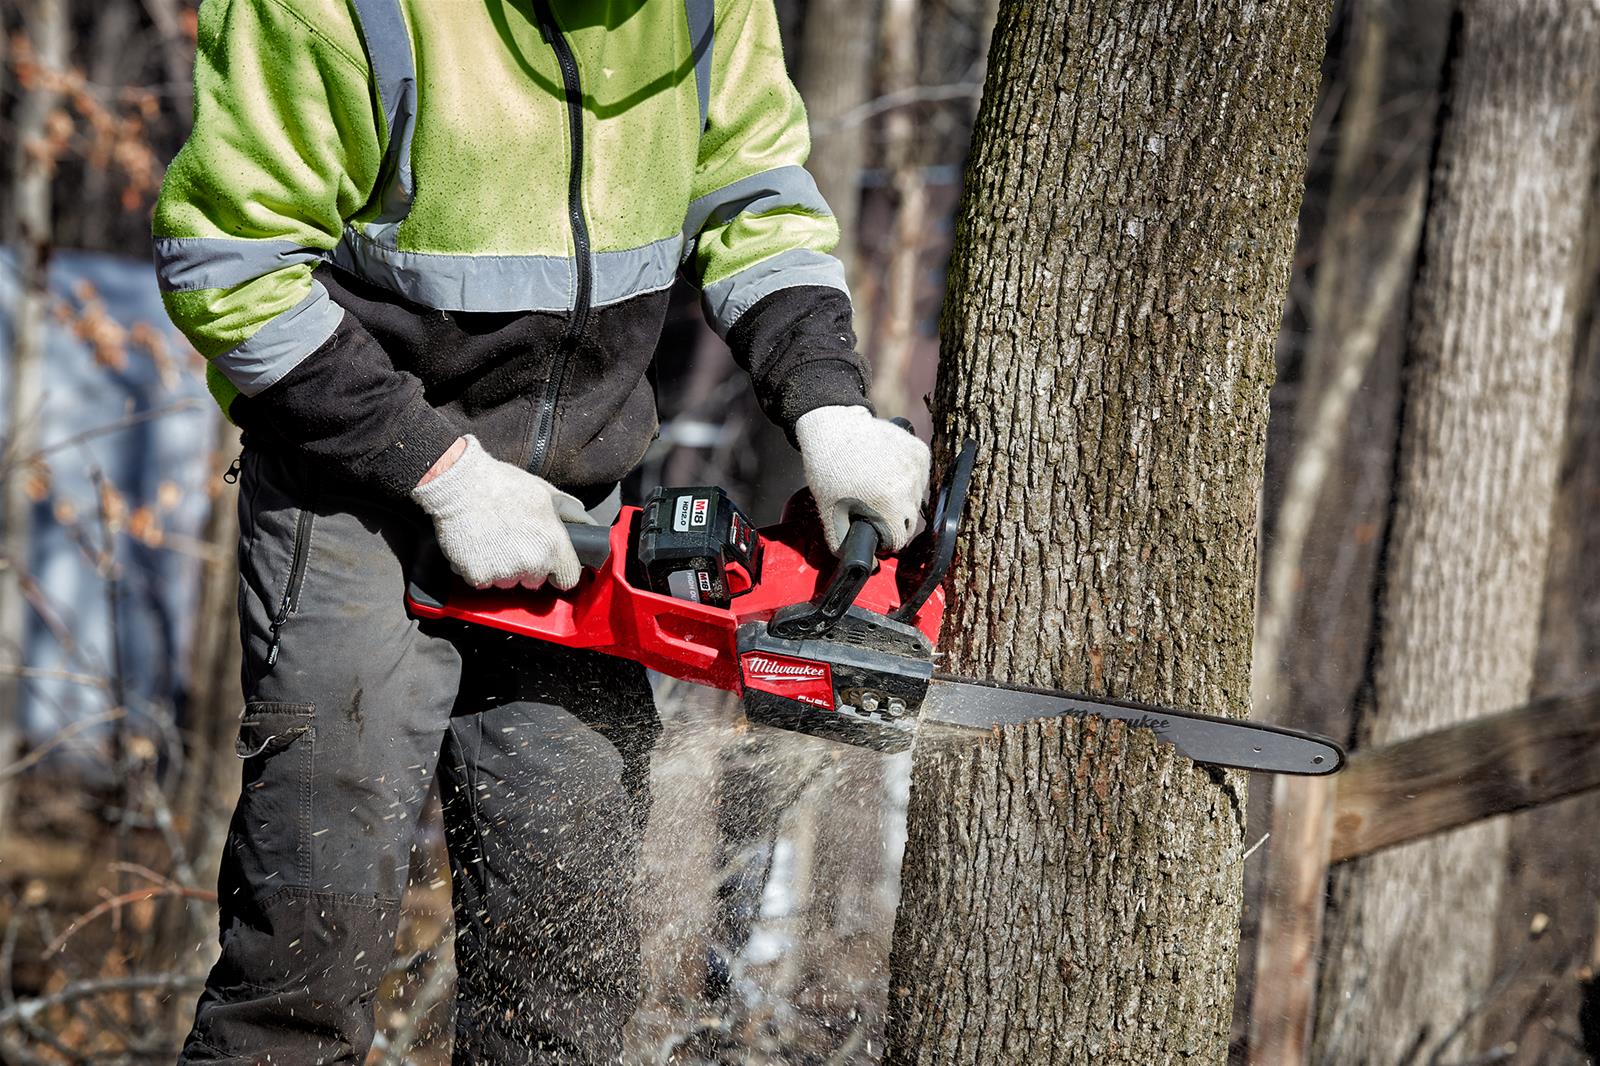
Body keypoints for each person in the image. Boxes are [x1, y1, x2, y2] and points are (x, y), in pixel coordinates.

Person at [153, 0, 929, 1062]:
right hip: (354, 488)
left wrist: (827, 404)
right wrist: (443, 472)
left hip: (574, 510)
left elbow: (753, 198)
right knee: (307, 946)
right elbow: (230, 272)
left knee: (567, 962)